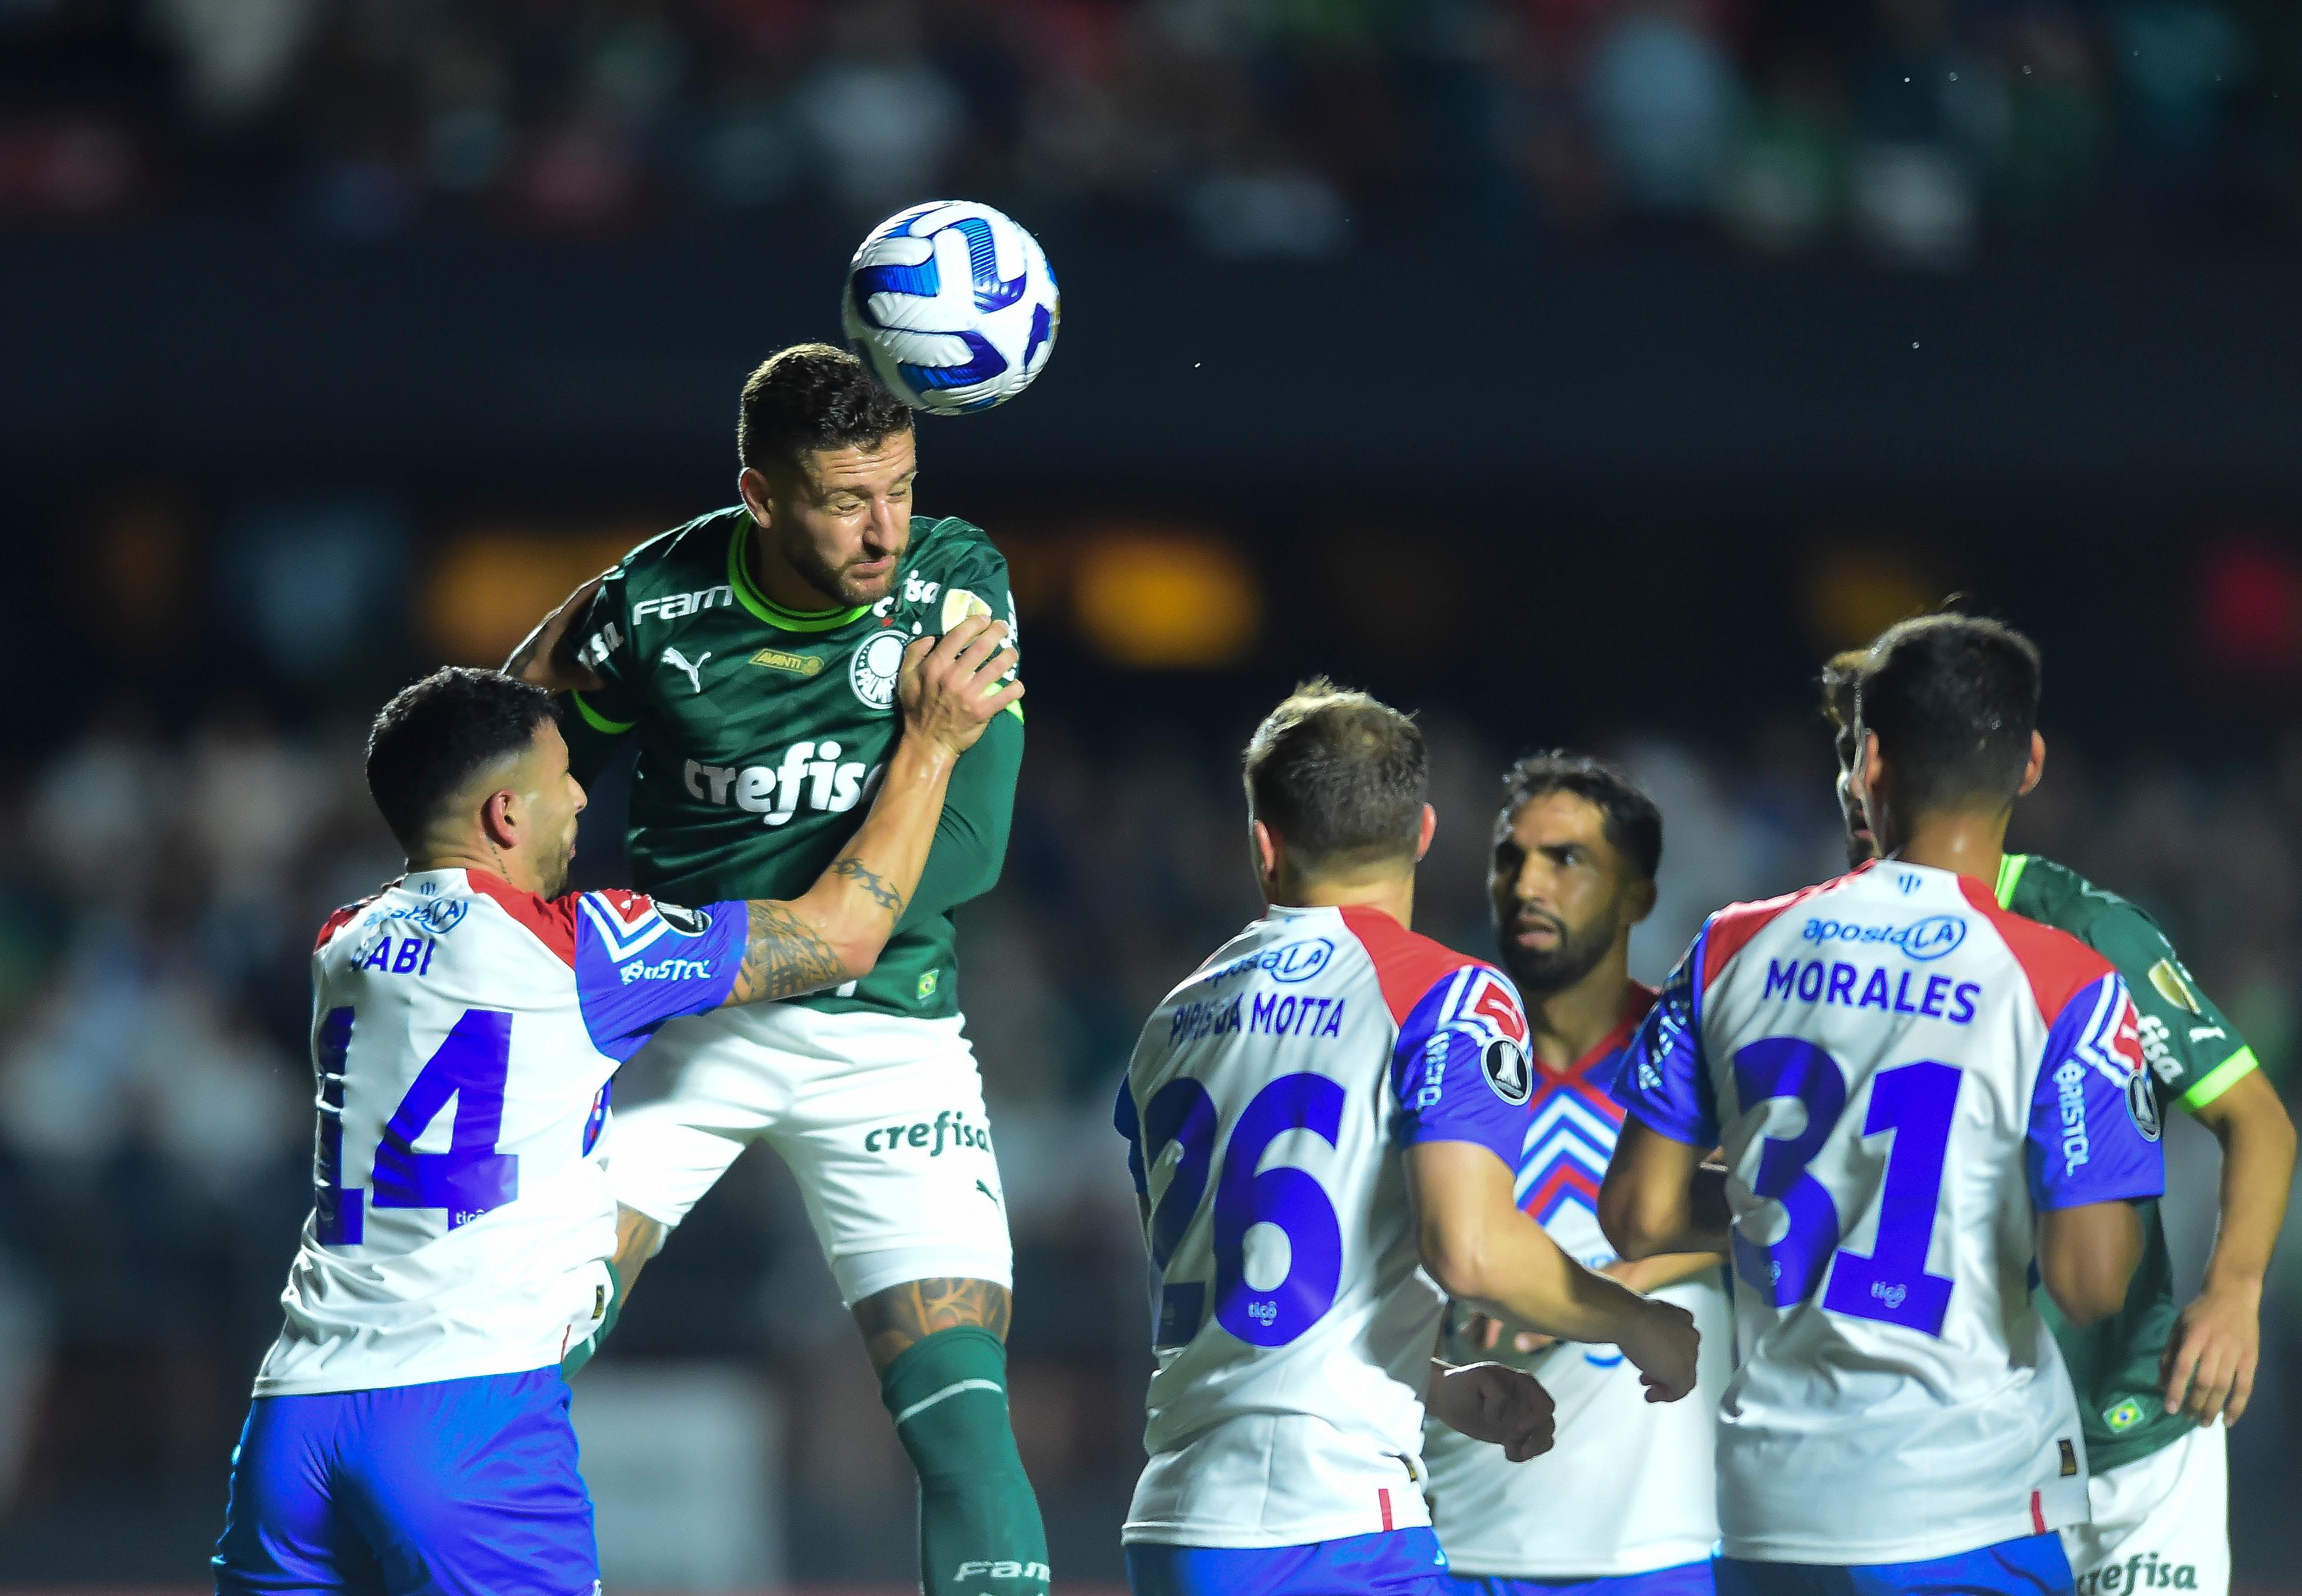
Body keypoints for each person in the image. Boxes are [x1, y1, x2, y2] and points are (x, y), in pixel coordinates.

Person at [213, 625, 1019, 1596]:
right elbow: (840, 937)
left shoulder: (345, 941)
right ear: (506, 814)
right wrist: (929, 743)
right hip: (464, 1417)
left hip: (293, 1420)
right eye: (565, 780)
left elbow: (455, 756)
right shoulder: (582, 951)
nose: (584, 798)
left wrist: (528, 680)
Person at [506, 343, 1048, 1594]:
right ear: (760, 497)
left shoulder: (956, 584)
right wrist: (524, 683)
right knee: (509, 1354)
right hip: (687, 1023)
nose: (885, 530)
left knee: (963, 1424)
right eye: (846, 499)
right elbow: (513, 786)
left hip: (889, 1033)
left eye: (901, 489)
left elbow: (971, 852)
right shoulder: (654, 604)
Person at [1600, 613, 2167, 1596]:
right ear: (2027, 764)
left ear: (1866, 762)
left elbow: (1636, 1215)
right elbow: (2089, 1283)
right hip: (1971, 1504)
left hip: (1771, 1510)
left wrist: (1795, 1200)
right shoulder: (2064, 984)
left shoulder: (1731, 945)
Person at [1115, 681, 1700, 1596]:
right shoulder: (1447, 994)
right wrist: (1639, 1324)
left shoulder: (1172, 1020)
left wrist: (1435, 1384)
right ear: (1424, 831)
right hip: (1334, 1528)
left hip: (1176, 1527)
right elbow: (1469, 1250)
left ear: (1262, 844)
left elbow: (1261, 1299)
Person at [1816, 648, 2294, 1596]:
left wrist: (2233, 1292)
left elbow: (2254, 1118)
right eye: (1854, 752)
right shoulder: (1800, 951)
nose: (1861, 784)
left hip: (2123, 1434)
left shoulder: (2086, 932)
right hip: (1925, 1463)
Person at [1424, 754, 1730, 1596]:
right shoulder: (1435, 1059)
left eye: (1566, 859)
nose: (1527, 883)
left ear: (1638, 896)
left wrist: (1592, 1294)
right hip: (1451, 1548)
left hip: (1665, 1553)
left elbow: (1779, 1221)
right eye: (1509, 858)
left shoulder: (1701, 1069)